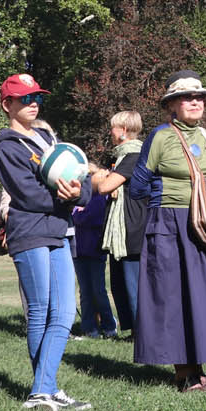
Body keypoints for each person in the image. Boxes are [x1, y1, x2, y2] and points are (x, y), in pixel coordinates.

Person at [128, 72, 206, 392]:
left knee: (202, 297)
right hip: (169, 225)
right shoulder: (160, 136)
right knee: (174, 296)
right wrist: (166, 195)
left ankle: (199, 370)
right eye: (186, 97)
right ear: (172, 105)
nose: (195, 102)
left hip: (202, 227)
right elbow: (137, 186)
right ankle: (184, 374)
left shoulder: (205, 135)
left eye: (200, 97)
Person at [0, 73, 93, 411]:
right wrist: (67, 199)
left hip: (60, 229)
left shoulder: (48, 136)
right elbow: (27, 194)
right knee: (40, 311)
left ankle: (44, 389)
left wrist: (80, 193)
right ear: (8, 105)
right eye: (25, 99)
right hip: (30, 231)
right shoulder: (6, 145)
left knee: (63, 313)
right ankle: (43, 390)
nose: (33, 104)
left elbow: (81, 176)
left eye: (37, 98)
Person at [89, 111, 146, 334]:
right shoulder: (122, 158)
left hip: (132, 228)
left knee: (134, 285)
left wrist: (95, 176)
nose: (110, 132)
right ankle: (133, 330)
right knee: (120, 284)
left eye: (113, 128)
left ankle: (142, 332)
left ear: (123, 130)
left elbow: (104, 186)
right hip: (122, 230)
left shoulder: (134, 156)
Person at [70, 193, 118, 338]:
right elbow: (75, 214)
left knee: (98, 291)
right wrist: (78, 213)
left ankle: (109, 325)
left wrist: (78, 214)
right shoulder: (79, 195)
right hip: (79, 251)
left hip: (95, 251)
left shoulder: (101, 197)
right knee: (85, 292)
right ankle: (89, 328)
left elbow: (91, 217)